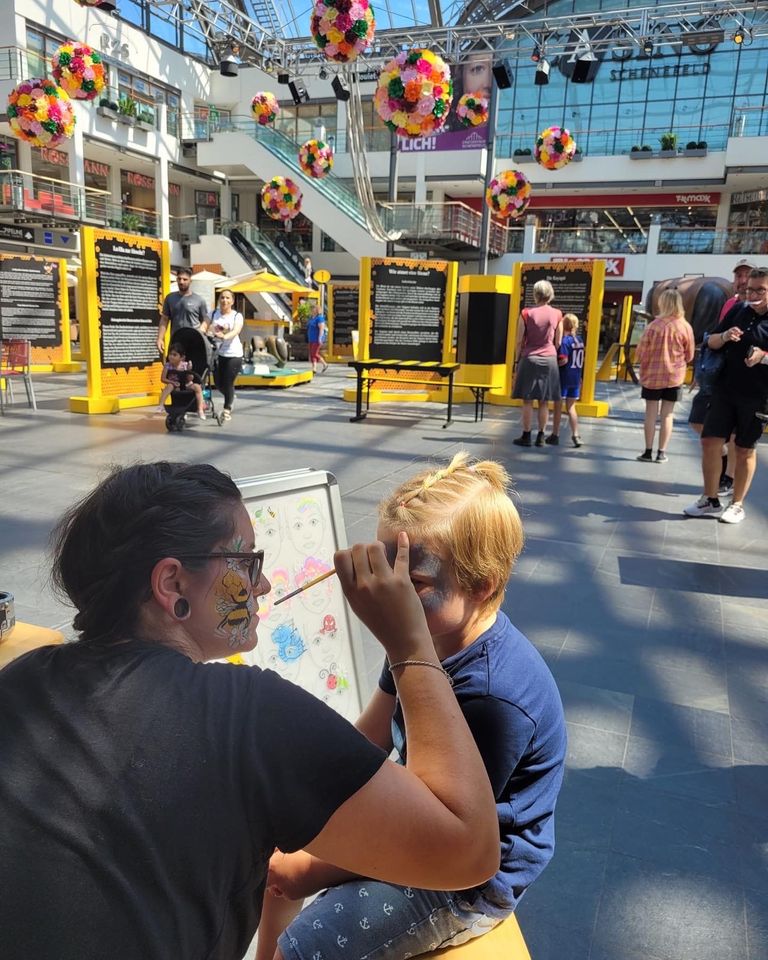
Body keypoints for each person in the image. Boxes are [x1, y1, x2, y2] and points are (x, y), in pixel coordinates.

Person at [0, 462, 500, 960]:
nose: (261, 586)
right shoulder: (248, 713)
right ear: (172, 584)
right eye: (246, 564)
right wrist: (409, 643)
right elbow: (470, 853)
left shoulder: (21, 679)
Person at [255, 453, 567, 960]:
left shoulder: (492, 696)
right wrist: (300, 807)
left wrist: (311, 865)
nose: (390, 593)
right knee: (270, 871)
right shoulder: (418, 636)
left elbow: (443, 843)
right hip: (423, 815)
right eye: (383, 568)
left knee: (306, 946)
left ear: (480, 586)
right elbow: (368, 736)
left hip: (467, 879)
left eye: (413, 582)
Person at [684, 266, 768, 524]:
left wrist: (764, 357)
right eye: (750, 289)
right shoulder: (738, 310)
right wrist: (725, 335)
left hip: (757, 395)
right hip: (724, 389)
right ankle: (710, 499)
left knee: (744, 448)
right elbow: (710, 341)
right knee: (709, 441)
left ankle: (737, 504)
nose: (753, 294)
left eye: (760, 290)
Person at [688, 260, 754, 494]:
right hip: (719, 377)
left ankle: (729, 478)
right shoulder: (731, 306)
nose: (742, 280)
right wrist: (704, 371)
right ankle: (724, 462)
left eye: (747, 276)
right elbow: (714, 338)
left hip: (748, 384)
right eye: (739, 276)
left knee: (740, 439)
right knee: (698, 421)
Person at [634, 288, 695, 463]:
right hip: (674, 376)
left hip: (652, 376)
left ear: (662, 303)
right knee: (668, 415)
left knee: (650, 414)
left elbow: (640, 352)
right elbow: (689, 355)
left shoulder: (653, 326)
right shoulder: (685, 327)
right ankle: (661, 453)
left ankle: (647, 451)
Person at [512, 280, 563, 447]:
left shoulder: (526, 313)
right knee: (544, 400)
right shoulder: (557, 314)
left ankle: (526, 435)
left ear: (535, 294)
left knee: (527, 400)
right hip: (549, 359)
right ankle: (541, 436)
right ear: (550, 294)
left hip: (529, 358)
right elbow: (558, 340)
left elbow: (519, 340)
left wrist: (516, 359)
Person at [548, 313, 585, 447]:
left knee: (558, 406)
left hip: (564, 377)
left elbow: (563, 360)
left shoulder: (565, 342)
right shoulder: (580, 340)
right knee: (571, 407)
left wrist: (554, 364)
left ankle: (555, 434)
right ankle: (576, 434)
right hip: (575, 377)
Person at [157, 267, 210, 353]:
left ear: (190, 281)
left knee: (192, 366)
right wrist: (160, 338)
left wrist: (202, 329)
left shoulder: (199, 300)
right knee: (174, 366)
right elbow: (164, 319)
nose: (181, 282)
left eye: (185, 279)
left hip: (194, 341)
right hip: (176, 341)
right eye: (179, 279)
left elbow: (206, 319)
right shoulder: (170, 298)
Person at [210, 288, 244, 422]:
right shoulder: (213, 313)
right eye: (222, 298)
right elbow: (205, 325)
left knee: (228, 382)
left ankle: (227, 408)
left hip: (233, 354)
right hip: (218, 353)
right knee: (218, 383)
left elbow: (236, 330)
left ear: (232, 301)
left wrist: (224, 336)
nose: (224, 300)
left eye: (227, 298)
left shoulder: (237, 316)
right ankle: (230, 396)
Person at [158, 341, 206, 419]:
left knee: (197, 387)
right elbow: (163, 379)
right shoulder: (167, 365)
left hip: (187, 384)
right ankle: (160, 405)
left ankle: (200, 409)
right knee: (169, 386)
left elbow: (190, 379)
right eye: (170, 354)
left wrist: (189, 370)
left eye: (174, 355)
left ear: (182, 357)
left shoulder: (185, 365)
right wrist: (172, 382)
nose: (171, 357)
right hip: (175, 385)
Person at [307, 302, 328, 374]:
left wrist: (320, 338)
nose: (312, 310)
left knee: (314, 353)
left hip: (317, 338)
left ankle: (324, 364)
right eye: (311, 309)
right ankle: (314, 368)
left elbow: (321, 328)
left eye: (313, 308)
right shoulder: (311, 318)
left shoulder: (320, 318)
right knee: (312, 354)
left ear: (317, 310)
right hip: (311, 338)